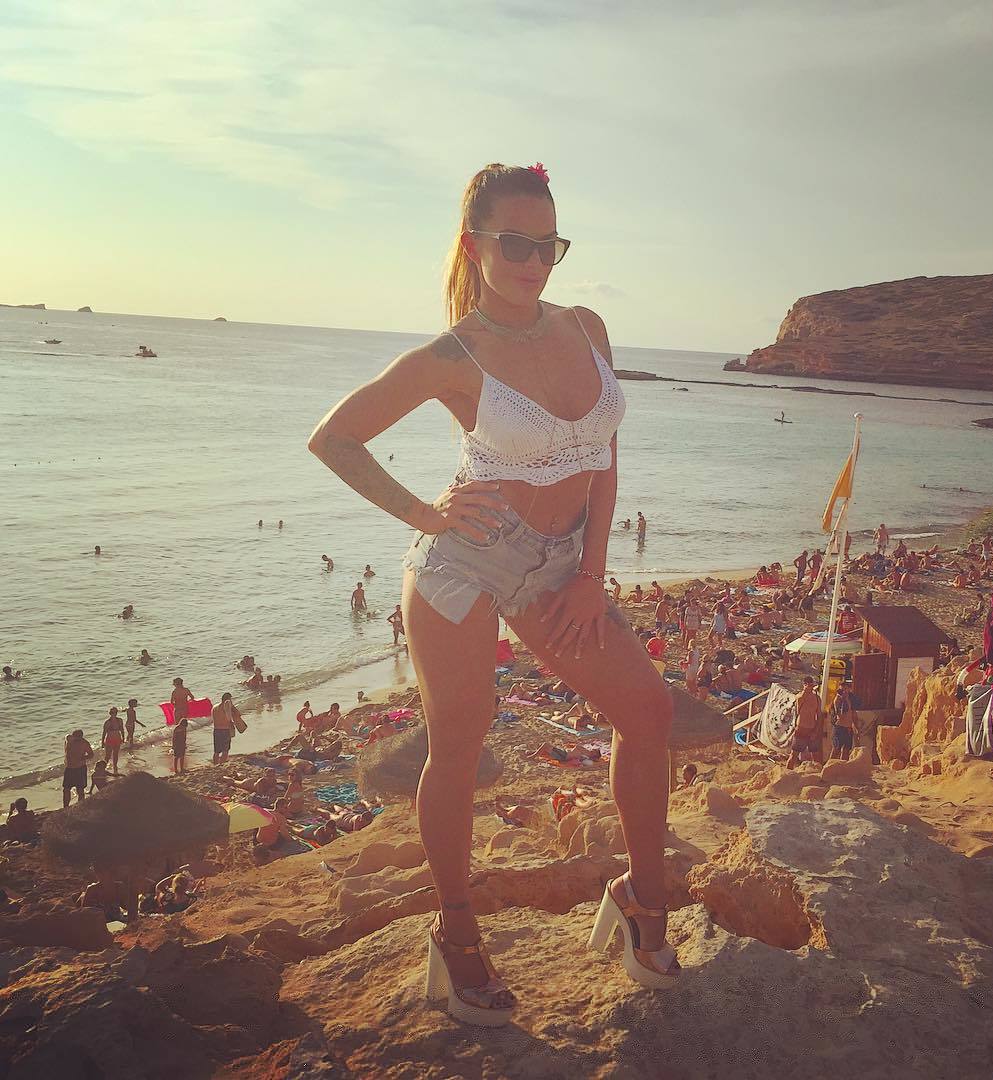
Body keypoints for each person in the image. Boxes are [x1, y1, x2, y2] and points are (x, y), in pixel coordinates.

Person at [307, 162, 678, 1025]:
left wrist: (590, 574)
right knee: (460, 748)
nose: (534, 262)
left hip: (560, 566)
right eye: (515, 244)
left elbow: (603, 457)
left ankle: (643, 898)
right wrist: (424, 514)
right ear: (474, 246)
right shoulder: (452, 355)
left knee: (649, 712)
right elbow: (335, 438)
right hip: (466, 563)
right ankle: (458, 930)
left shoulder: (586, 326)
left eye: (549, 244)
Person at [787, 677, 823, 768]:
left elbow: (819, 716)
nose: (810, 687)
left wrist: (816, 731)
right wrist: (805, 691)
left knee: (816, 756)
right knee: (794, 755)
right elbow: (798, 703)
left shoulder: (817, 698)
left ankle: (817, 773)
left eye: (811, 684)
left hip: (812, 728)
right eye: (808, 684)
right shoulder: (800, 696)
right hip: (801, 729)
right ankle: (787, 773)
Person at [62, 729, 94, 806]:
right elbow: (67, 736)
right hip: (69, 768)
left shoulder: (84, 743)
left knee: (80, 789)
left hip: (80, 768)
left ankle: (80, 805)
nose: (76, 740)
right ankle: (66, 807)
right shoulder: (69, 740)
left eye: (78, 738)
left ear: (81, 737)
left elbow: (91, 754)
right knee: (66, 789)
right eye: (75, 738)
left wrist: (83, 757)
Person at [830, 680, 858, 761]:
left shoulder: (851, 699)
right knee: (836, 750)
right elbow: (840, 715)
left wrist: (856, 727)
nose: (844, 691)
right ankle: (830, 765)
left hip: (848, 727)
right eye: (842, 690)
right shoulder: (838, 700)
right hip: (840, 727)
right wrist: (843, 700)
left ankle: (843, 766)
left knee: (846, 750)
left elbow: (853, 714)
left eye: (845, 689)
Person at [211, 692, 241, 764]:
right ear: (228, 700)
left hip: (216, 730)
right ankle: (221, 764)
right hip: (225, 730)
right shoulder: (227, 707)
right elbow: (238, 714)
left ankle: (215, 764)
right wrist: (232, 706)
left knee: (216, 751)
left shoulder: (215, 707)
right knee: (225, 751)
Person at [102, 707, 125, 774]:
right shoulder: (107, 722)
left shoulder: (120, 720)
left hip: (117, 738)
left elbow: (122, 729)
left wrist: (123, 737)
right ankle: (103, 768)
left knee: (116, 754)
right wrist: (102, 742)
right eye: (112, 712)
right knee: (108, 755)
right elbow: (104, 733)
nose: (114, 714)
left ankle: (115, 767)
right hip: (109, 739)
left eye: (115, 712)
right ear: (110, 713)